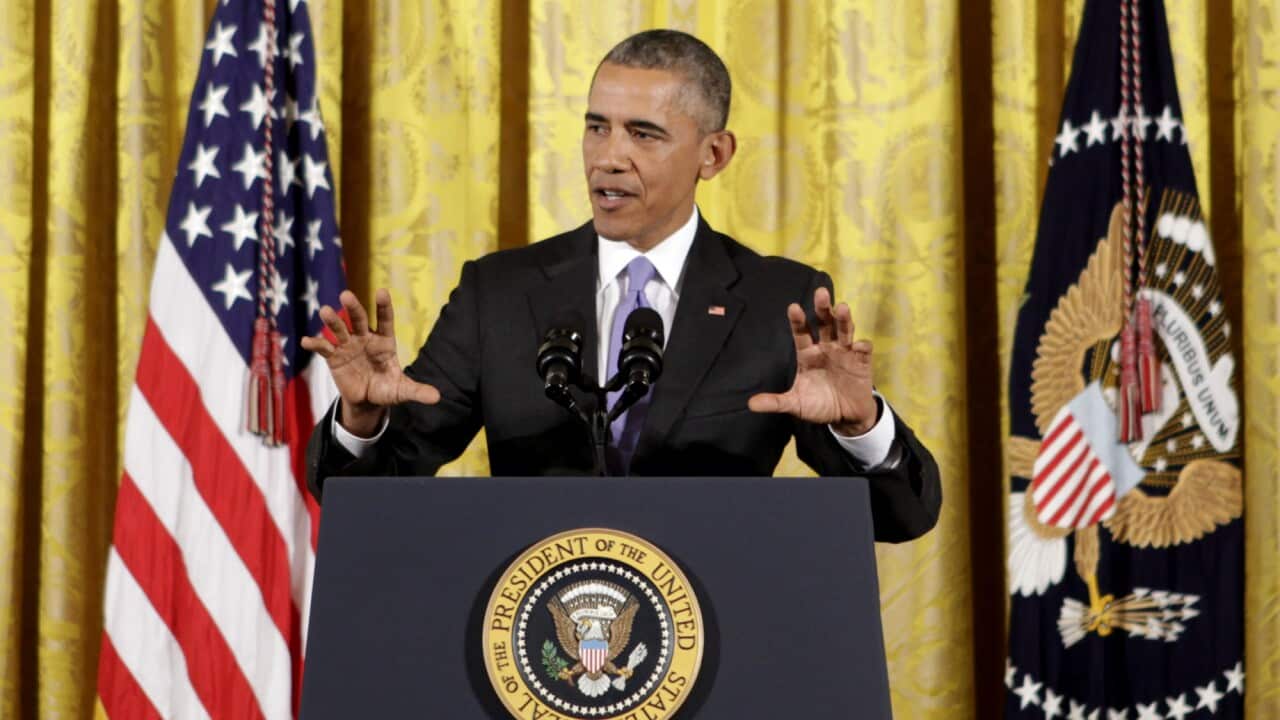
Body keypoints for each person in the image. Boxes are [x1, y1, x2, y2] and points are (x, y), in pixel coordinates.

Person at [302, 29, 940, 542]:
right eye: (596, 127)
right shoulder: (498, 293)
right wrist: (363, 419)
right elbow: (364, 495)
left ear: (714, 155)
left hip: (712, 635)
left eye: (643, 134)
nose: (608, 157)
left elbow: (901, 517)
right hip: (530, 634)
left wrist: (860, 426)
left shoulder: (780, 302)